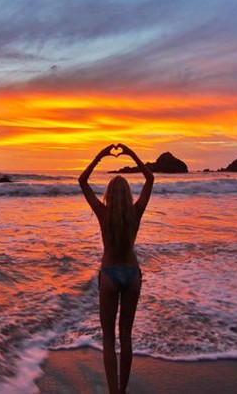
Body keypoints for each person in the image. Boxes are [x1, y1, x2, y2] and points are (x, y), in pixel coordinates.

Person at [78, 143, 154, 394]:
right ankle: (123, 390)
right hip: (132, 275)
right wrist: (132, 154)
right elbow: (150, 178)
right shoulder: (136, 212)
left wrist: (99, 156)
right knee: (126, 336)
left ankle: (114, 393)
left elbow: (82, 181)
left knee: (109, 340)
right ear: (127, 195)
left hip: (109, 275)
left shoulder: (102, 212)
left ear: (110, 194)